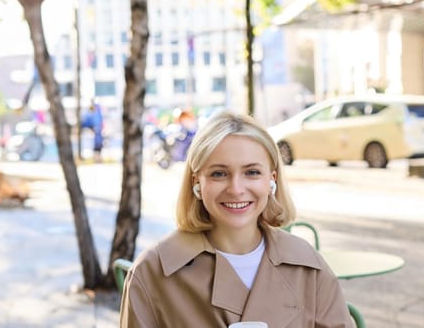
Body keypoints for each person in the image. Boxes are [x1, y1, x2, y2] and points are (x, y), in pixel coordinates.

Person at [119, 111, 353, 327]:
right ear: (197, 182)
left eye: (252, 172)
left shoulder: (308, 267)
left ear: (271, 180)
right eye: (219, 174)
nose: (236, 189)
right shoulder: (153, 271)